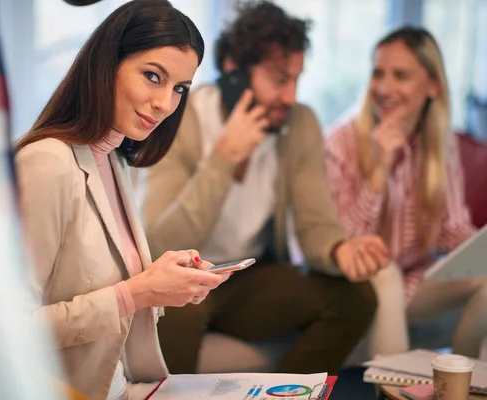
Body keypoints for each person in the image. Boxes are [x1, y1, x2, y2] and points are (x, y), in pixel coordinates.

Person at [141, 0, 389, 375]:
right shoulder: (181, 117)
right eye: (279, 78)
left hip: (246, 276)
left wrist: (340, 250)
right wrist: (223, 160)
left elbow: (315, 224)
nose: (290, 96)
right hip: (185, 277)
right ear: (234, 71)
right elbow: (162, 240)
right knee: (174, 313)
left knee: (357, 297)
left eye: (296, 79)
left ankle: (289, 395)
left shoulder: (299, 123)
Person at [15, 1, 230, 399]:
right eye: (153, 76)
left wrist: (166, 283)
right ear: (106, 64)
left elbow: (110, 291)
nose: (165, 103)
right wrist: (139, 292)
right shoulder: (46, 163)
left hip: (128, 388)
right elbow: (11, 329)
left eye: (179, 88)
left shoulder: (115, 160)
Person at [325, 26, 487, 359]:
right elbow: (347, 242)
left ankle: (463, 387)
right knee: (387, 273)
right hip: (356, 282)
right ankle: (392, 391)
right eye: (378, 74)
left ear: (433, 86)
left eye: (400, 76)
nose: (384, 88)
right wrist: (381, 166)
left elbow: (452, 231)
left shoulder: (441, 146)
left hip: (412, 280)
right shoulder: (341, 142)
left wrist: (478, 251)